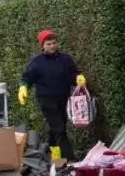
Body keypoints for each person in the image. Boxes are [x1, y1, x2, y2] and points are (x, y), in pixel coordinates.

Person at [19, 29, 86, 162]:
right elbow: (27, 77)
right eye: (48, 44)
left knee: (56, 129)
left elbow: (73, 74)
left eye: (54, 43)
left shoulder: (65, 59)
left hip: (63, 98)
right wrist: (23, 87)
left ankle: (54, 157)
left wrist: (79, 78)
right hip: (46, 99)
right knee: (59, 129)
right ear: (42, 45)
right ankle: (70, 159)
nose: (52, 46)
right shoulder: (37, 62)